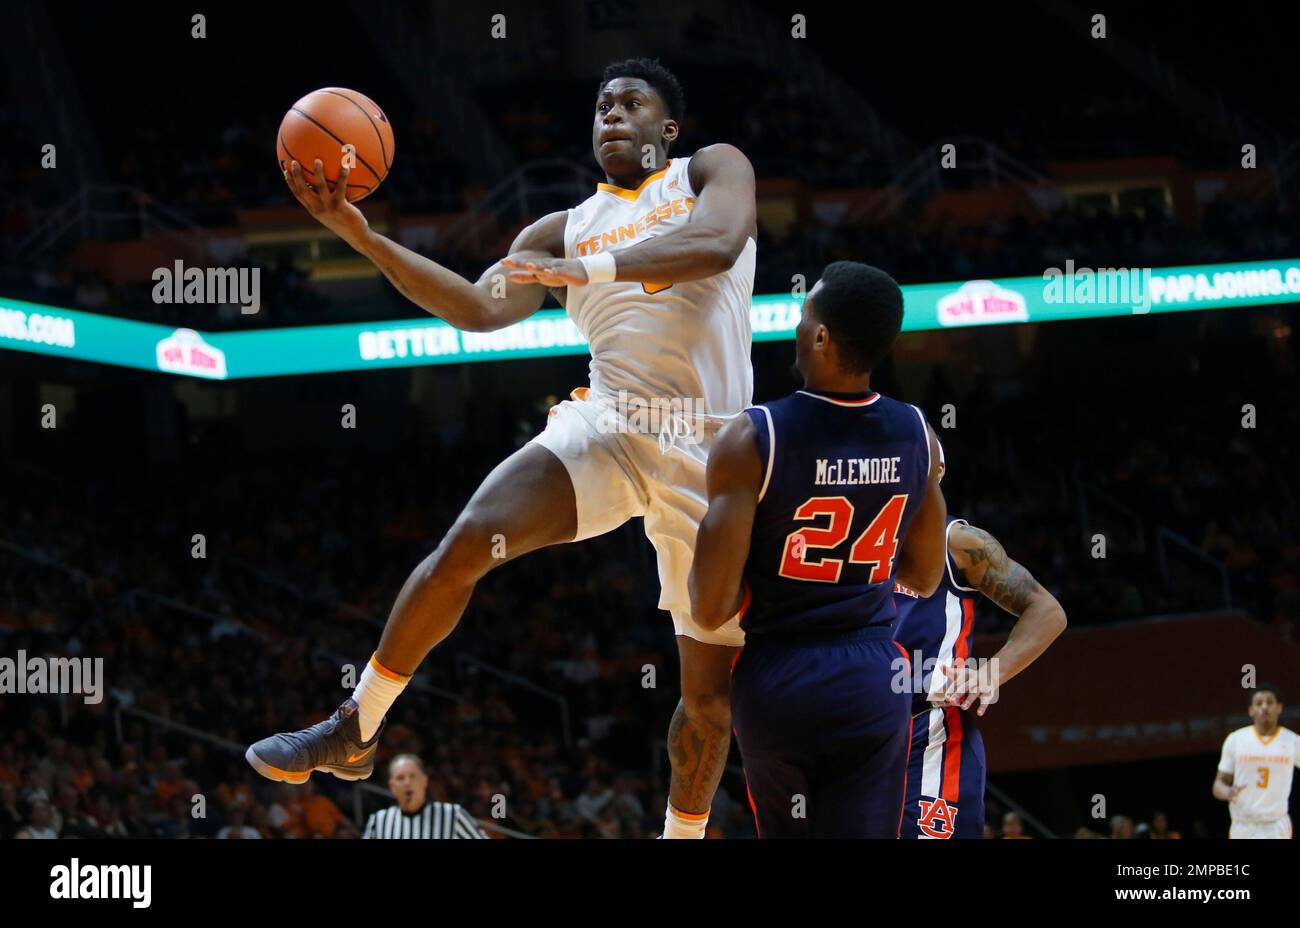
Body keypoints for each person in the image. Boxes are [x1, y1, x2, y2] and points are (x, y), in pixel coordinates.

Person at [246, 57, 759, 839]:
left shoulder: (709, 171)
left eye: (630, 103)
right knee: (463, 545)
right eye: (600, 107)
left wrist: (583, 270)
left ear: (669, 127)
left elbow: (719, 244)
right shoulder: (559, 227)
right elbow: (475, 309)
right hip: (610, 425)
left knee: (708, 695)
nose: (612, 116)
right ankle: (355, 728)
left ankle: (680, 837)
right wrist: (361, 236)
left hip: (711, 449)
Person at [689, 262, 946, 837]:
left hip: (780, 674)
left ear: (823, 338)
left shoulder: (755, 435)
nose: (798, 330)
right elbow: (926, 576)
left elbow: (708, 609)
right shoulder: (916, 432)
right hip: (874, 675)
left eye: (806, 320)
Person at [893, 510, 1067, 838]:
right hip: (857, 728)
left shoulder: (958, 541)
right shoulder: (852, 537)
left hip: (930, 730)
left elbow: (1047, 611)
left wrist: (990, 673)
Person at [1212, 686, 1297, 838]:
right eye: (1259, 703)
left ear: (1279, 707)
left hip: (1275, 824)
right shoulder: (1236, 739)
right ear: (1251, 710)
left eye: (1269, 702)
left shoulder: (1293, 741)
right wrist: (1228, 792)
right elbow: (1218, 785)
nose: (1264, 707)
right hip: (1243, 825)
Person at [363, 755, 486, 839]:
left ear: (425, 781)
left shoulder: (453, 815)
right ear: (392, 786)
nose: (407, 782)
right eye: (400, 778)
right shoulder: (379, 820)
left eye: (412, 776)